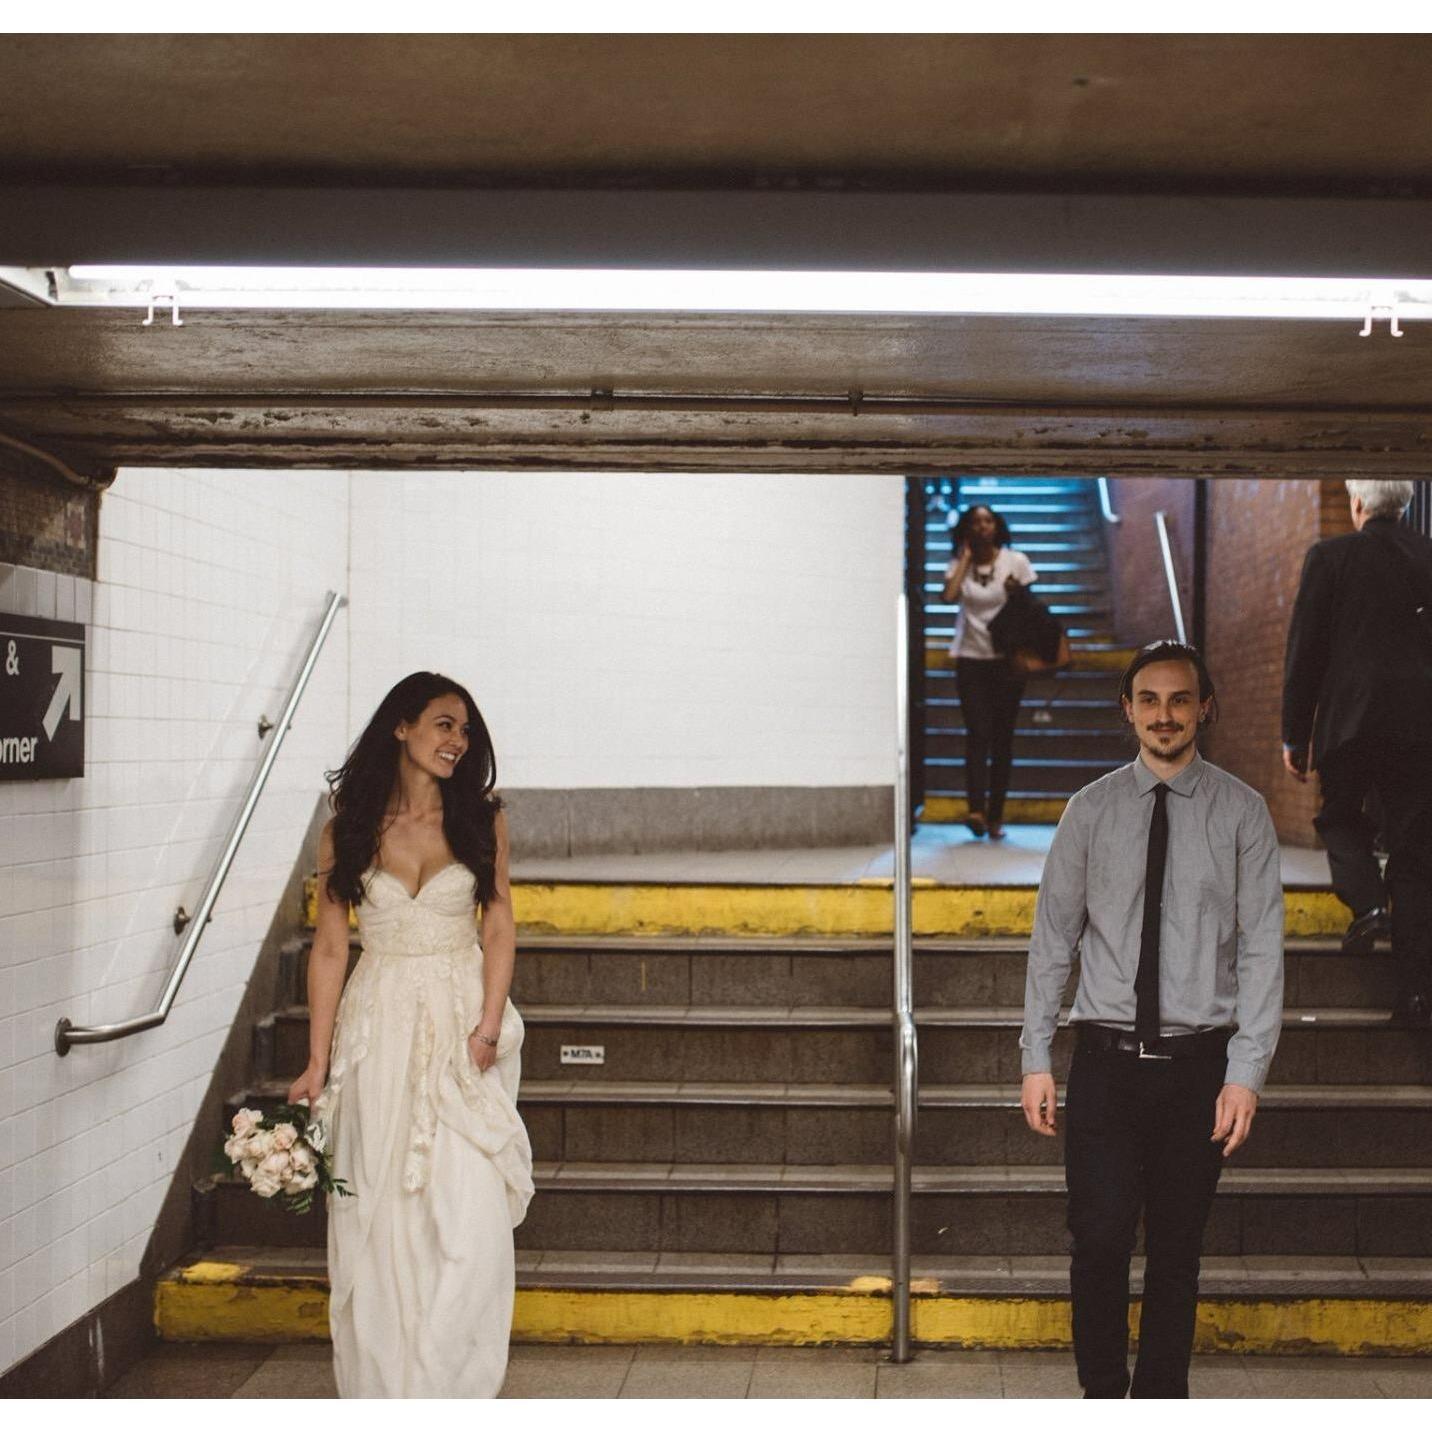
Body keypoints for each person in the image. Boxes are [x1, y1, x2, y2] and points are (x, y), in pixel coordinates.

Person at [1019, 641, 1283, 1399]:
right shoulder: (1089, 812)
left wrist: (1246, 1074)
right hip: (1104, 1065)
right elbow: (1052, 942)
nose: (1164, 715)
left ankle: (1161, 1404)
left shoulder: (1244, 814)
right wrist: (1036, 1054)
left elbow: (1264, 950)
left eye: (1179, 699)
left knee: (1177, 1252)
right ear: (1127, 710)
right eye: (1149, 699)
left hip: (1199, 1066)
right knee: (1098, 1243)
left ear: (1205, 707)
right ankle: (1103, 1399)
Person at [288, 671, 534, 1397]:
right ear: (402, 727)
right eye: (443, 724)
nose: (457, 741)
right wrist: (316, 1059)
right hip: (380, 1025)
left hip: (461, 1021)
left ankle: (451, 1384)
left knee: (470, 1214)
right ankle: (392, 1390)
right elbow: (331, 948)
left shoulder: (479, 820)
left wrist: (489, 1024)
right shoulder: (349, 829)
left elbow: (498, 922)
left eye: (464, 730)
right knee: (382, 1209)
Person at [1282, 478, 1432, 1030]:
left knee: (1341, 816)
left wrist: (1295, 734)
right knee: (1417, 859)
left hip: (1352, 721)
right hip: (1422, 729)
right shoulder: (1429, 556)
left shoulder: (1330, 556)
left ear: (1358, 503)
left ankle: (1367, 904)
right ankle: (1416, 998)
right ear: (1406, 504)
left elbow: (1307, 650)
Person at [941, 502, 1038, 838]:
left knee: (1003, 740)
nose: (983, 526)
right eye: (976, 522)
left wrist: (1015, 592)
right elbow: (948, 596)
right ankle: (976, 811)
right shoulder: (958, 564)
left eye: (988, 521)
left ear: (997, 526)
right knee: (977, 734)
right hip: (970, 659)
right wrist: (966, 559)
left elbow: (1032, 609)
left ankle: (996, 816)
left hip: (1006, 661)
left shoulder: (1016, 561)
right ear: (968, 529)